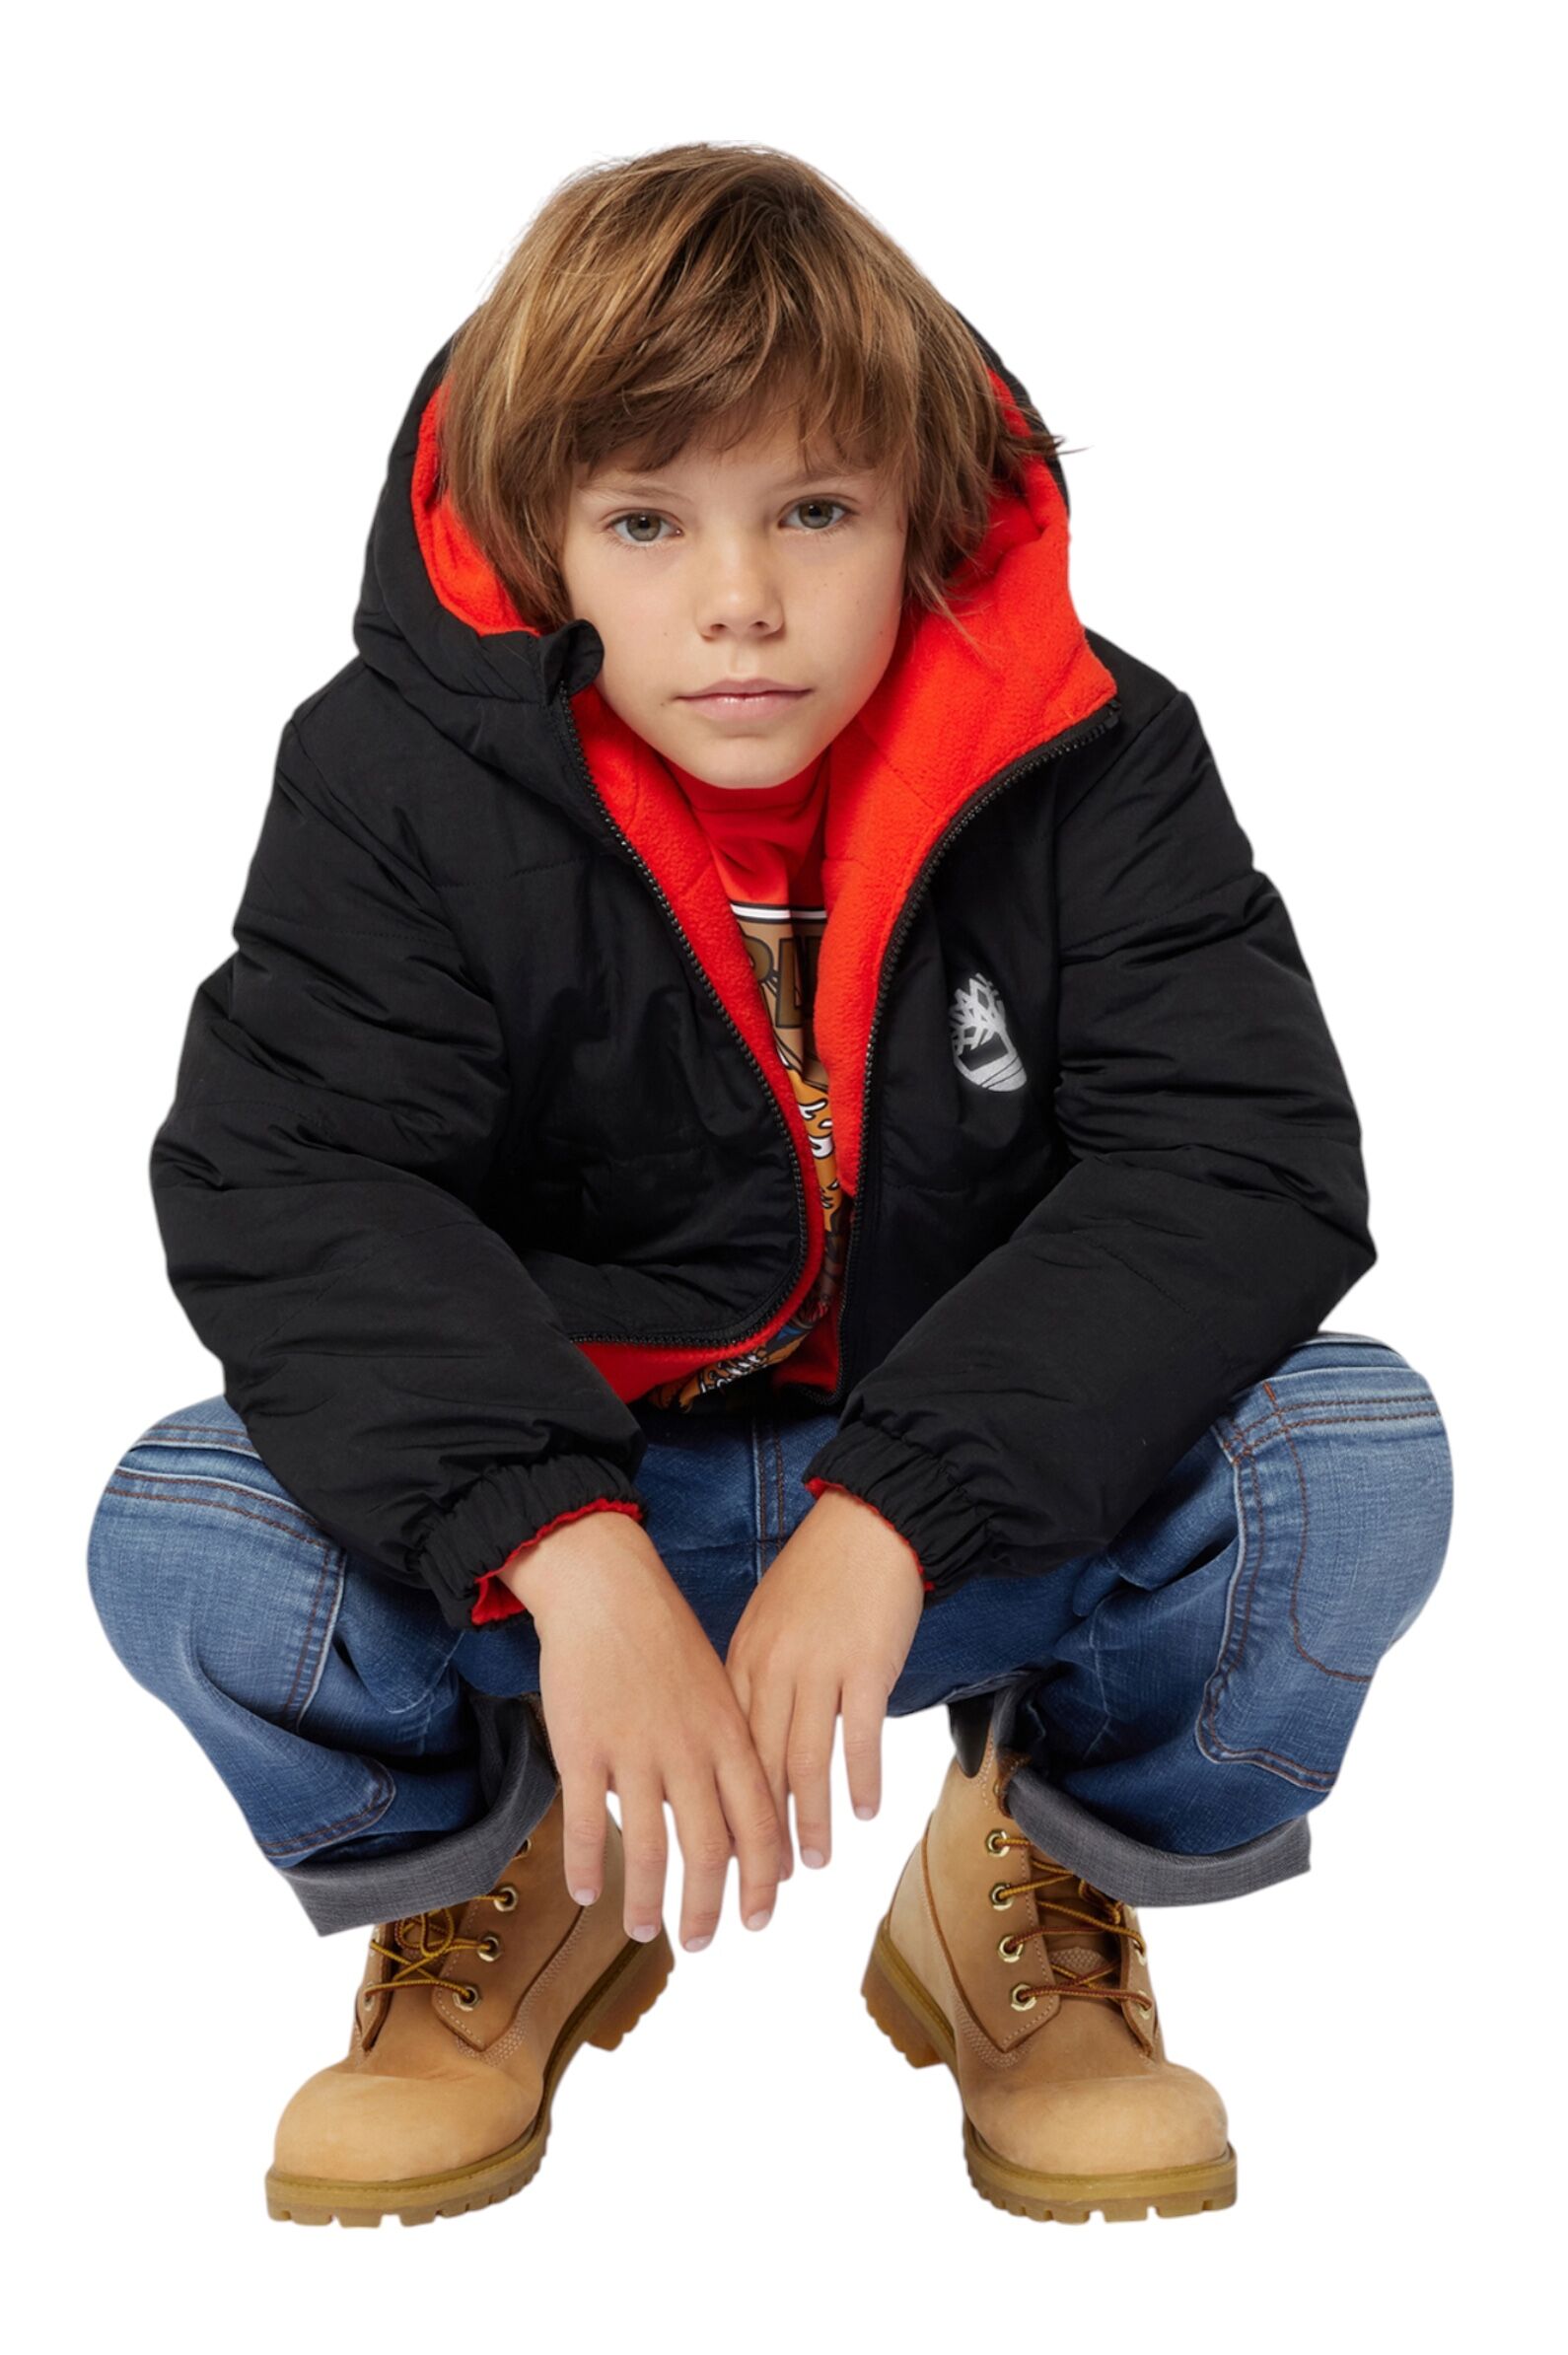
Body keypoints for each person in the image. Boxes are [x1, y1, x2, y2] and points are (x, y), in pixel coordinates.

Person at [86, 140, 1453, 2231]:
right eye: (649, 522)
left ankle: (1036, 1863)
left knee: (1349, 1451)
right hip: (575, 1537)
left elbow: (1234, 1160)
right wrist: (554, 1542)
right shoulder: (393, 775)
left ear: (922, 513)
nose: (740, 597)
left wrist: (903, 1503)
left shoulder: (1095, 753)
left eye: (815, 510)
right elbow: (304, 1184)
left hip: (963, 1516)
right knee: (187, 1525)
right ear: (542, 540)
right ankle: (502, 1879)